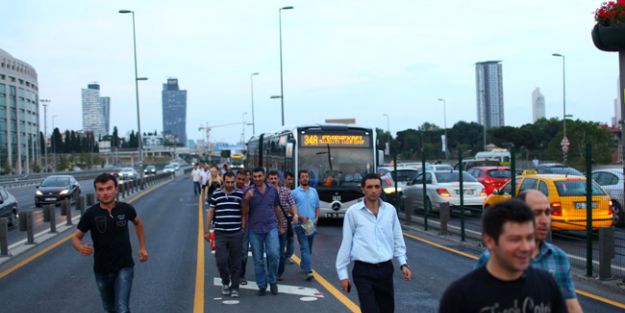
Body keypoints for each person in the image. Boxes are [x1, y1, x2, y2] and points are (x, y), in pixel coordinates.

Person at [439, 199, 566, 313]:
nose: (526, 247)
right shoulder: (460, 297)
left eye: (530, 238)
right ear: (489, 241)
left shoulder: (547, 285)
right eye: (515, 239)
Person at [475, 190, 584, 313]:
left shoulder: (558, 258)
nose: (544, 220)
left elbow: (570, 303)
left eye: (548, 212)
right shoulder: (492, 258)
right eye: (537, 213)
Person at [71, 173, 148, 313]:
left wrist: (142, 248)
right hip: (102, 269)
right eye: (101, 189)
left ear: (116, 189)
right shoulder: (90, 214)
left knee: (122, 308)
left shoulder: (126, 209)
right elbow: (75, 238)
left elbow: (139, 223)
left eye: (108, 188)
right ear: (96, 192)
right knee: (109, 308)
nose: (105, 193)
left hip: (124, 266)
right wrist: (81, 248)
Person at [336, 173, 412, 313]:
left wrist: (403, 263)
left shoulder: (390, 210)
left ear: (381, 189)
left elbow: (397, 237)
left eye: (377, 186)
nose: (373, 190)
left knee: (387, 310)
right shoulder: (353, 213)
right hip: (363, 271)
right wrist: (343, 274)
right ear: (363, 190)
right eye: (369, 187)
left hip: (385, 270)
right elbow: (346, 244)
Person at [242, 168, 285, 296]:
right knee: (258, 260)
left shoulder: (272, 190)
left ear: (264, 176)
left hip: (271, 226)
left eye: (259, 176)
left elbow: (277, 207)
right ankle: (262, 285)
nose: (257, 178)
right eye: (254, 176)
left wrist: (281, 225)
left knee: (274, 254)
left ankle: (272, 280)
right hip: (254, 229)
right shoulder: (249, 191)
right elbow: (244, 212)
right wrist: (247, 199)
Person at [204, 172, 244, 298]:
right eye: (228, 182)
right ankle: (225, 282)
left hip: (236, 233)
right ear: (223, 181)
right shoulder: (216, 195)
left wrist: (243, 228)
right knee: (221, 260)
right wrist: (206, 231)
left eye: (232, 182)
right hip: (220, 233)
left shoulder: (240, 194)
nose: (230, 184)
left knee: (236, 262)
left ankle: (235, 287)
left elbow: (244, 212)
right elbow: (210, 212)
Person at [267, 170, 298, 281]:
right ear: (268, 180)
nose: (273, 180)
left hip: (283, 226)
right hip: (269, 226)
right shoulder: (264, 191)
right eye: (271, 178)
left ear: (278, 179)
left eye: (275, 178)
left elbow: (292, 203)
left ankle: (278, 273)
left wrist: (295, 215)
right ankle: (271, 272)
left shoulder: (285, 191)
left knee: (280, 252)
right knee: (271, 252)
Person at [291, 170, 321, 281]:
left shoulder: (314, 191)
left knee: (309, 248)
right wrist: (298, 217)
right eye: (302, 177)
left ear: (309, 179)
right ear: (299, 179)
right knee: (305, 248)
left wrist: (317, 218)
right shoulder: (294, 193)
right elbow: (290, 209)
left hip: (311, 225)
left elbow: (317, 206)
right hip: (300, 225)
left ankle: (304, 264)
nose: (305, 178)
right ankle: (308, 271)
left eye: (306, 177)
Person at [235, 170, 252, 285]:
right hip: (231, 225)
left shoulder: (249, 191)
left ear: (246, 179)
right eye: (238, 179)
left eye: (243, 179)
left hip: (245, 225)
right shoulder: (229, 188)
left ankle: (241, 275)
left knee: (244, 253)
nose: (240, 181)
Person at [283, 172, 296, 264]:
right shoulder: (282, 191)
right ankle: (282, 256)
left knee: (291, 239)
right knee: (283, 239)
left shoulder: (294, 191)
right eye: (288, 179)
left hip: (292, 219)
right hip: (284, 218)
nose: (290, 181)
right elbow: (287, 207)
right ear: (284, 179)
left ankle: (288, 256)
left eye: (292, 179)